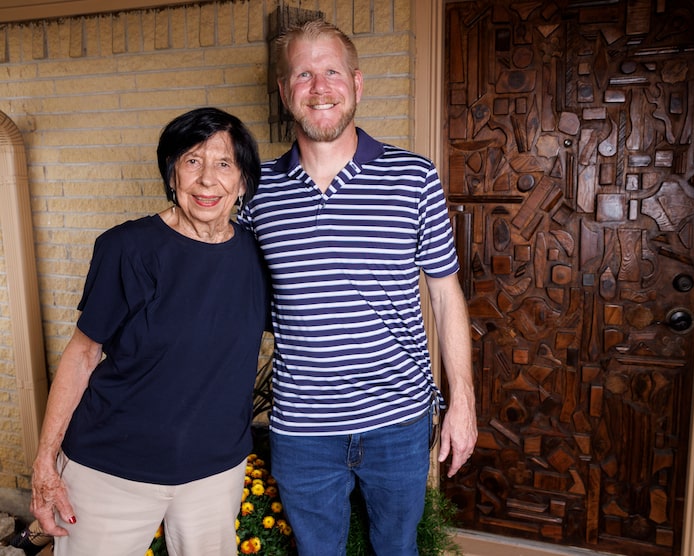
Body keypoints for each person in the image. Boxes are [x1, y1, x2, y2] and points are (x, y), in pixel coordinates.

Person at [239, 19, 477, 555]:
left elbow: (444, 292)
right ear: (284, 92)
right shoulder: (257, 194)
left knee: (396, 550)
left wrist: (461, 401)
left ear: (357, 83)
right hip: (302, 430)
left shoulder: (414, 177)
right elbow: (240, 303)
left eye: (331, 72)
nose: (319, 88)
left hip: (399, 421)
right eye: (303, 74)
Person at [30, 107, 270, 556]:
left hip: (214, 476)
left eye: (224, 164)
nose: (206, 180)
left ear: (242, 182)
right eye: (192, 161)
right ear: (171, 173)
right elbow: (83, 355)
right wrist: (46, 459)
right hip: (110, 471)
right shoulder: (127, 248)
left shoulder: (258, 257)